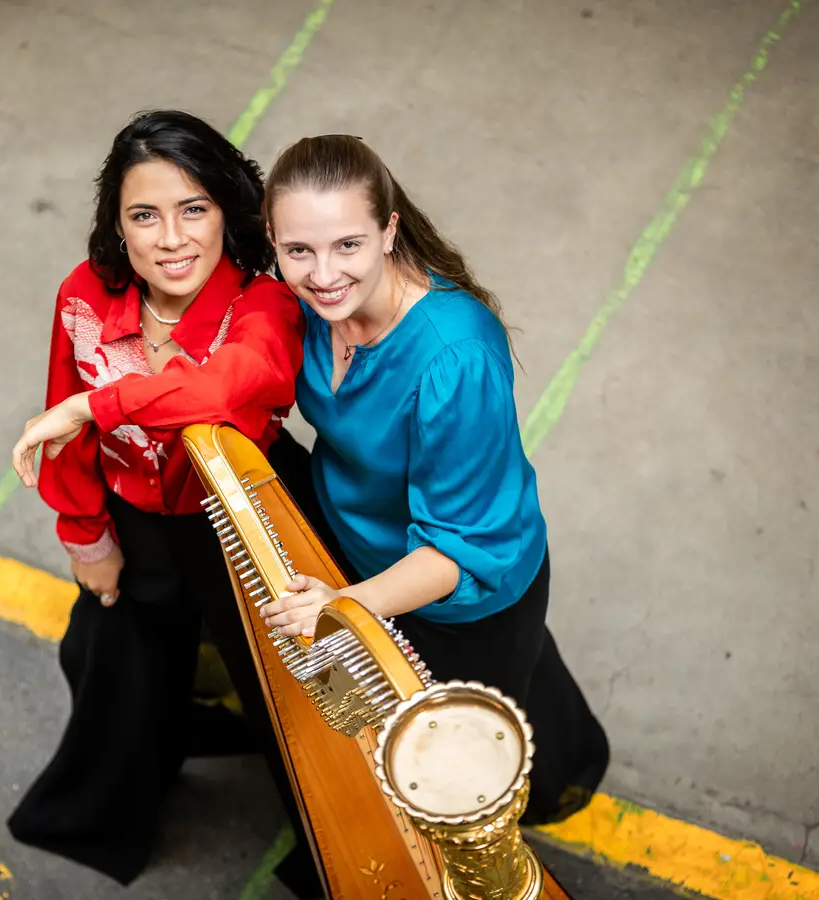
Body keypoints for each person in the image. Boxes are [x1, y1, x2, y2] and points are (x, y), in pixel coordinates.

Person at [4, 109, 324, 898]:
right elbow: (63, 429)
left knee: (299, 697)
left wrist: (98, 405)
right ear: (117, 225)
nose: (171, 239)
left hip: (248, 523)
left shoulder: (265, 303)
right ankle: (109, 811)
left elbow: (224, 387)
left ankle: (334, 857)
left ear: (228, 210)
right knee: (112, 667)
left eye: (195, 209)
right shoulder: (83, 296)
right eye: (144, 215)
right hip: (135, 523)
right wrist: (87, 538)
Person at [255, 134, 612, 827]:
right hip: (366, 544)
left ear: (389, 230)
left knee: (456, 758)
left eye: (348, 246)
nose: (324, 274)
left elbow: (456, 551)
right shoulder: (296, 295)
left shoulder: (455, 357)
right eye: (299, 250)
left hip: (459, 598)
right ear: (272, 239)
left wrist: (345, 605)